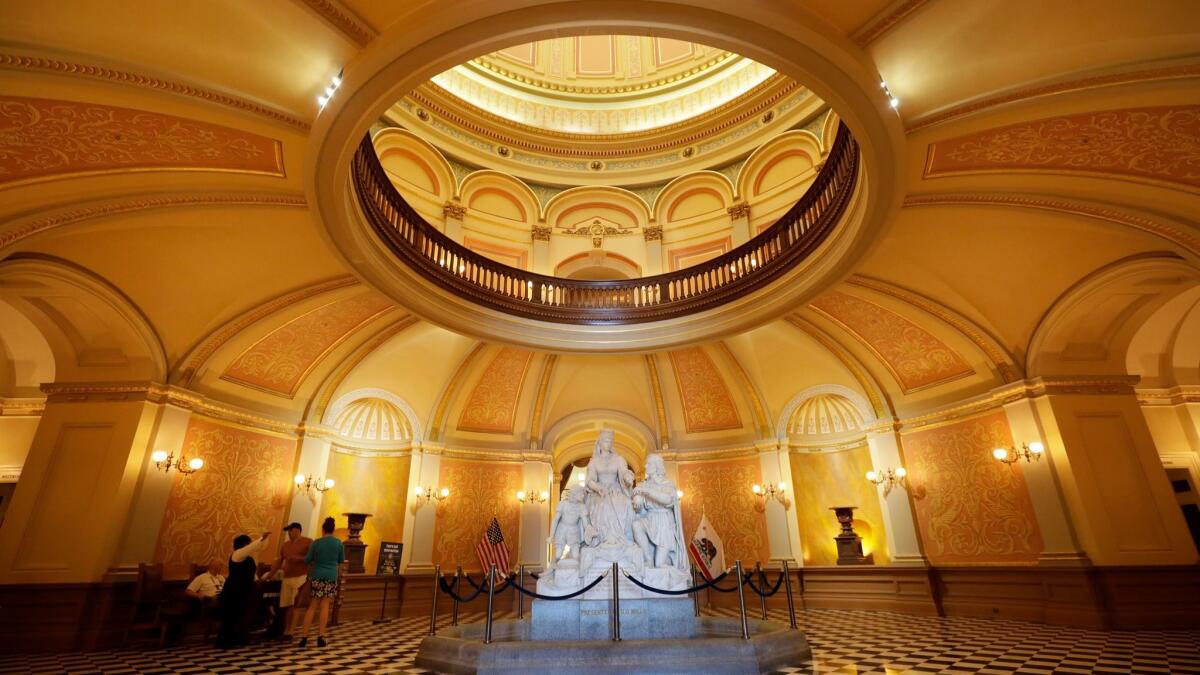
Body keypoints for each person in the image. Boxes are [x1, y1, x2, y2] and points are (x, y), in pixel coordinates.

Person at [215, 531, 270, 649]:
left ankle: (238, 639)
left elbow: (258, 550)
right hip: (233, 591)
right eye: (248, 544)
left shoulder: (248, 558)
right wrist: (261, 538)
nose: (250, 546)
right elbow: (252, 547)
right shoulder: (237, 554)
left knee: (240, 615)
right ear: (243, 545)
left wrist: (265, 540)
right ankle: (225, 642)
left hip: (244, 591)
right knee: (230, 617)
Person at [298, 517, 344, 648]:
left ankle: (304, 638)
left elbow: (307, 560)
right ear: (333, 530)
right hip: (331, 576)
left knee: (312, 606)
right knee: (325, 606)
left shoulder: (317, 543)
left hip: (316, 575)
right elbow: (340, 561)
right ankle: (321, 637)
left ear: (323, 529)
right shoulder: (338, 543)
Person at [269, 522, 312, 639]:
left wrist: (298, 559)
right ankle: (285, 629)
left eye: (290, 530)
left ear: (297, 530)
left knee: (295, 605)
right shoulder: (285, 545)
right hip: (287, 577)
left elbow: (312, 558)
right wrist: (270, 575)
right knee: (286, 605)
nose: (289, 533)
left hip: (300, 576)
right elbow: (279, 560)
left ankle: (290, 631)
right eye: (288, 531)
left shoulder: (308, 542)